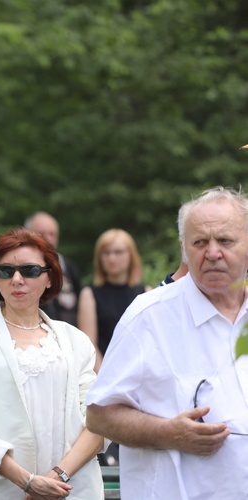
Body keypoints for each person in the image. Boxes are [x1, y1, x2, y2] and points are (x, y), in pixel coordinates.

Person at [86, 186, 248, 499]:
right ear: (184, 249)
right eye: (199, 242)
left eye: (225, 240)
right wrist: (169, 434)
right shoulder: (149, 317)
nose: (212, 252)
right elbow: (99, 415)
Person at [0, 227, 104, 500]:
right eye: (5, 271)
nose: (17, 279)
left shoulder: (75, 340)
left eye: (29, 271)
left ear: (50, 278)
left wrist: (56, 477)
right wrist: (26, 481)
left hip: (69, 488)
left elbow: (99, 422)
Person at [77, 229, 148, 372]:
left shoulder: (146, 293)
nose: (112, 258)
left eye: (118, 252)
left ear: (131, 255)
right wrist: (105, 378)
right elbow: (89, 345)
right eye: (106, 253)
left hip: (139, 373)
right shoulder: (89, 294)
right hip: (103, 373)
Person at [25, 211, 82, 326]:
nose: (48, 239)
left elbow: (80, 302)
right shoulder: (19, 267)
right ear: (27, 234)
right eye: (42, 233)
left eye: (52, 234)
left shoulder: (67, 267)